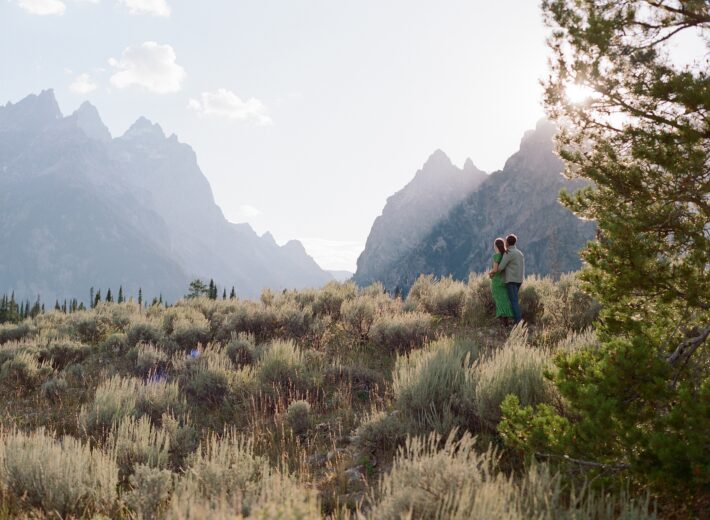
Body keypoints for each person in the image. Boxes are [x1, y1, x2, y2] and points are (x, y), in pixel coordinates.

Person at [491, 234, 524, 324]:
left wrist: (492, 272)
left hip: (511, 280)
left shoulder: (508, 253)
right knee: (514, 300)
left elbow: (500, 268)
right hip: (519, 280)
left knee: (513, 302)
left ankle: (518, 323)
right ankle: (516, 320)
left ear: (507, 243)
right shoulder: (520, 253)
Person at [488, 238, 514, 326]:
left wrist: (490, 273)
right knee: (504, 301)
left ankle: (503, 324)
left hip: (497, 281)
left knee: (499, 301)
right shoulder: (504, 255)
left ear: (496, 246)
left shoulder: (496, 256)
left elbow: (495, 269)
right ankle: (506, 323)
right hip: (504, 280)